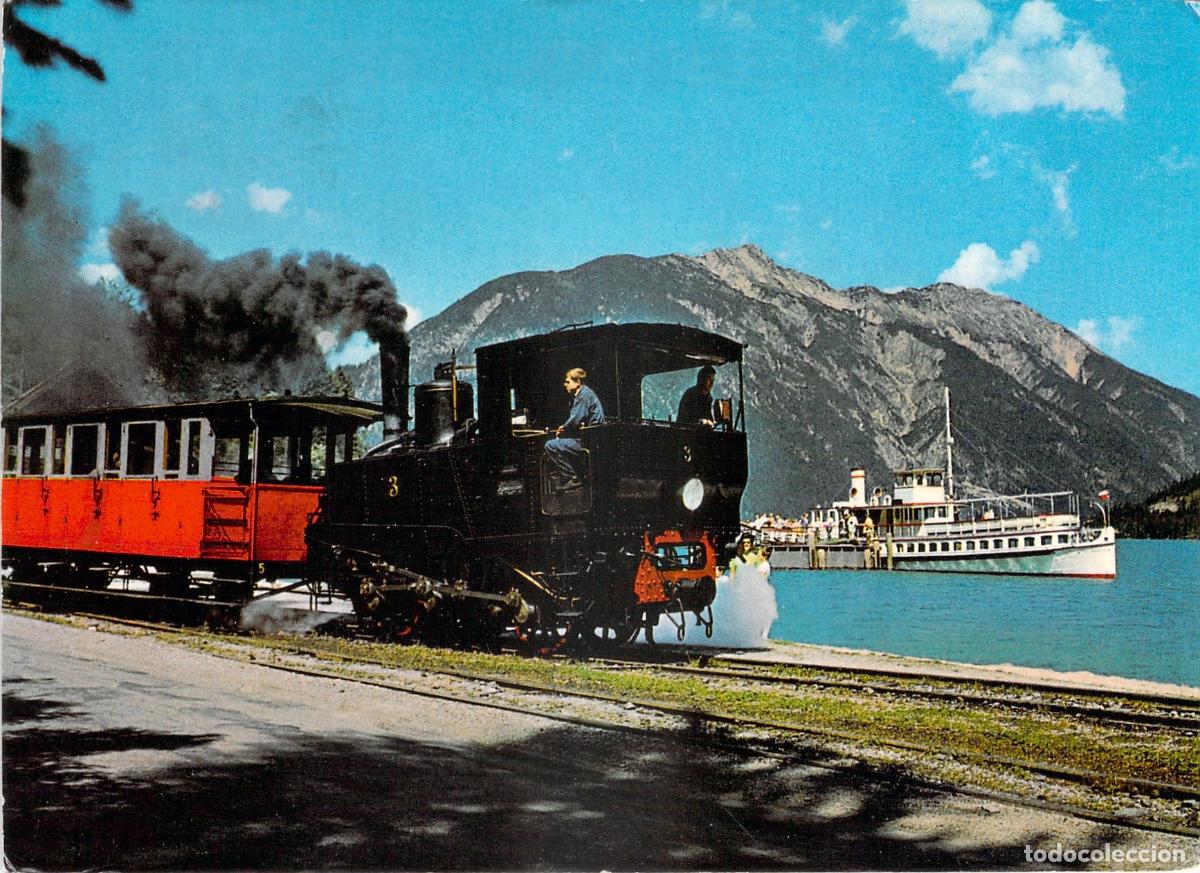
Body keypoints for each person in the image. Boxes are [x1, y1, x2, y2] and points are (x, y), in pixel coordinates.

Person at [544, 367, 604, 490]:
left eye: (568, 382)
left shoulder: (583, 394)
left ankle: (572, 478)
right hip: (591, 439)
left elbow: (576, 418)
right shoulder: (584, 394)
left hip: (588, 442)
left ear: (577, 382)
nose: (564, 384)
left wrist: (563, 428)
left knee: (550, 445)